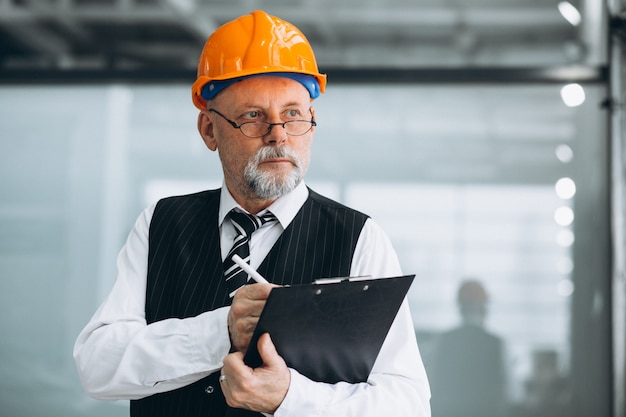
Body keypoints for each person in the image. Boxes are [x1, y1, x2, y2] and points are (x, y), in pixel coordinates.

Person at [73, 9, 431, 417]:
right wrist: (221, 331)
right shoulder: (162, 223)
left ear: (312, 124)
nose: (278, 133)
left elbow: (407, 405)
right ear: (209, 130)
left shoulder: (359, 238)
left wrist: (288, 399)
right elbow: (96, 367)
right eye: (253, 116)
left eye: (293, 114)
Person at [428, 279, 507, 417]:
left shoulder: (444, 341)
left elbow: (433, 385)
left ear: (460, 306)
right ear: (484, 307)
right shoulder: (496, 344)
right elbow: (507, 391)